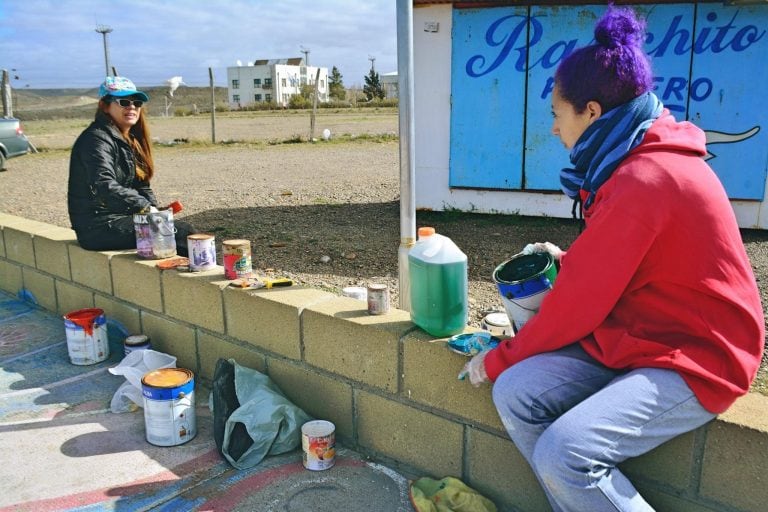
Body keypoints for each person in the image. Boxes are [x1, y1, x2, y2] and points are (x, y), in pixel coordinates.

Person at [462, 6, 765, 511]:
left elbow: (575, 307)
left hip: (699, 353)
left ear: (593, 112)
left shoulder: (643, 178)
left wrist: (497, 358)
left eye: (558, 116)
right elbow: (629, 260)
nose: (556, 131)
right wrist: (573, 259)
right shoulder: (635, 156)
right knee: (517, 393)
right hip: (643, 333)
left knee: (565, 453)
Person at [68, 76, 196, 256]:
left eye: (136, 102)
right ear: (104, 106)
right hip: (97, 226)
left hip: (118, 217)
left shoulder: (127, 140)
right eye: (124, 102)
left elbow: (141, 184)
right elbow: (104, 183)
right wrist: (144, 207)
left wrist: (154, 210)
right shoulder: (96, 139)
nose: (132, 107)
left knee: (174, 231)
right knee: (183, 234)